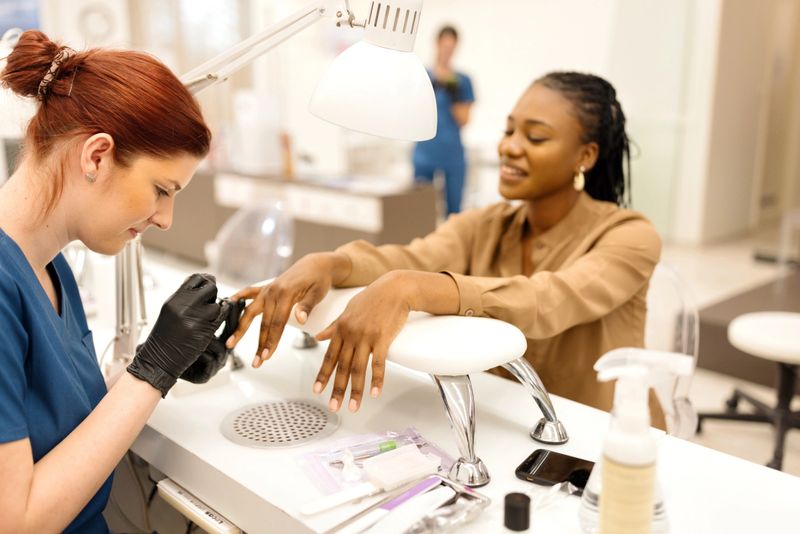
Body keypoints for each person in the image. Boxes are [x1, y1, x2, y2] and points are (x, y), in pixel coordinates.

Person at [227, 72, 661, 423]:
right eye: (510, 130)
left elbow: (548, 300)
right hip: (500, 421)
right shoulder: (485, 224)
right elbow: (410, 258)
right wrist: (331, 262)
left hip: (604, 437)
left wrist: (412, 289)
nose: (509, 145)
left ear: (584, 156)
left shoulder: (630, 237)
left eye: (536, 137)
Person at [0, 31, 230, 533]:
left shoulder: (50, 267)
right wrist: (152, 370)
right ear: (97, 156)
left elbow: (52, 421)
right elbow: (15, 521)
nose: (165, 218)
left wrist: (167, 365)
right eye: (161, 189)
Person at [412, 25, 475, 215]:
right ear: (437, 44)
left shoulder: (462, 81)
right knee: (420, 208)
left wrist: (453, 93)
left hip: (452, 153)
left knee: (454, 210)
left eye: (452, 47)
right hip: (425, 151)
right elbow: (412, 114)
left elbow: (464, 119)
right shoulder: (421, 76)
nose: (447, 51)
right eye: (444, 46)